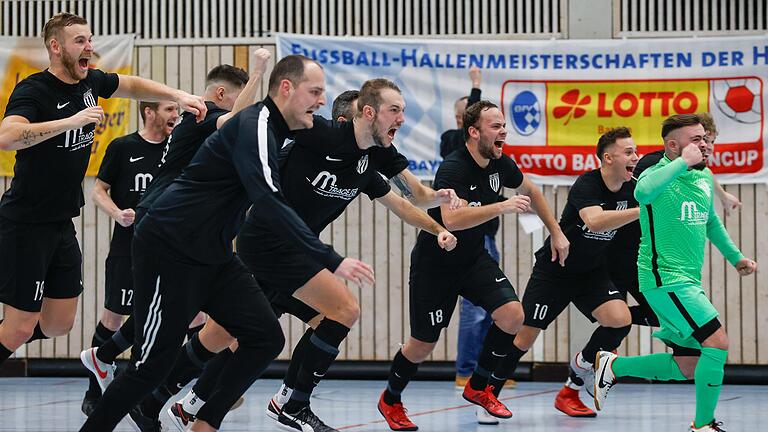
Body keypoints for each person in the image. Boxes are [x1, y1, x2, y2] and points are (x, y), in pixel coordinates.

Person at [79, 54, 372, 432]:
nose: (320, 101)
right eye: (314, 92)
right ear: (287, 88)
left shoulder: (285, 128)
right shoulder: (254, 126)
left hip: (214, 253)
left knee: (265, 338)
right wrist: (329, 258)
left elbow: (344, 139)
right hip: (168, 247)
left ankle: (203, 424)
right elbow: (267, 199)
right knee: (151, 367)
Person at [167, 78, 460, 432]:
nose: (399, 118)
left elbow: (407, 199)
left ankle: (286, 400)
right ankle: (168, 394)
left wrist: (439, 223)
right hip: (264, 248)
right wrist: (259, 76)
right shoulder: (312, 139)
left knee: (330, 317)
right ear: (355, 118)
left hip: (295, 258)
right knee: (224, 335)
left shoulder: (368, 161)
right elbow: (259, 123)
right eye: (393, 110)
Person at [0, 12, 206, 368]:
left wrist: (177, 93)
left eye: (91, 40)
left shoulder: (89, 83)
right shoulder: (33, 90)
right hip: (25, 224)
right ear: (55, 46)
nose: (90, 48)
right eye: (80, 41)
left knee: (57, 324)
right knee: (19, 329)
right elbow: (7, 137)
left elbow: (131, 85)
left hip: (62, 221)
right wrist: (71, 122)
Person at [79, 55, 269, 427]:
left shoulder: (199, 126)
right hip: (163, 226)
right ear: (219, 94)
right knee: (153, 349)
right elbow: (234, 122)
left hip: (193, 234)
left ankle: (109, 357)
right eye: (238, 96)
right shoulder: (204, 114)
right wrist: (259, 73)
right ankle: (116, 366)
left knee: (182, 318)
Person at [377, 100, 570, 431]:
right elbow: (452, 219)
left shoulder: (499, 164)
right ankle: (391, 399)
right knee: (423, 344)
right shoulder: (454, 168)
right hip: (436, 264)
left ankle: (479, 386)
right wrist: (501, 207)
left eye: (504, 126)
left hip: (473, 258)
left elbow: (533, 190)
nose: (504, 132)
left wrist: (556, 233)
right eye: (496, 127)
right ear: (473, 132)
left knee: (512, 315)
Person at [593, 114, 757, 432]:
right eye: (695, 140)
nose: (704, 144)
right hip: (664, 278)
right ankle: (704, 424)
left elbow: (711, 222)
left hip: (686, 281)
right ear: (673, 145)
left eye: (705, 139)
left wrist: (736, 258)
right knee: (717, 341)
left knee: (688, 365)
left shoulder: (704, 177)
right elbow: (642, 194)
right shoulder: (656, 174)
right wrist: (682, 162)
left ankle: (613, 366)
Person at [491, 127, 641, 420]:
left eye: (636, 152)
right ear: (608, 158)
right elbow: (595, 221)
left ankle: (573, 384)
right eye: (629, 152)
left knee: (619, 320)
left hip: (591, 273)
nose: (635, 157)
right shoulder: (587, 183)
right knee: (524, 337)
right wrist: (642, 209)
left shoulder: (634, 188)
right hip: (556, 270)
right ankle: (488, 393)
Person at [81, 99, 179, 415]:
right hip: (128, 247)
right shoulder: (123, 147)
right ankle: (94, 392)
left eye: (177, 110)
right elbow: (99, 189)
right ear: (149, 112)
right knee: (114, 317)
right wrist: (116, 214)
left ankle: (141, 391)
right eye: (169, 109)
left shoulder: (178, 148)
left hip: (168, 249)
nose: (175, 116)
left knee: (186, 316)